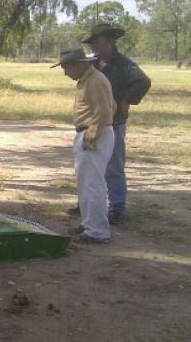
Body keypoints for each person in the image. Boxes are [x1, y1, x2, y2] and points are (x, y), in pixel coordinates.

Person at [84, 23, 151, 224]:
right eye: (92, 42)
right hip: (92, 121)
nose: (94, 45)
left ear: (110, 42)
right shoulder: (93, 64)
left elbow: (143, 82)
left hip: (114, 123)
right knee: (90, 165)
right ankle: (87, 205)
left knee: (113, 166)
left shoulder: (124, 65)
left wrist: (126, 101)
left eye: (97, 42)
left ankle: (117, 208)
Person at [53, 48, 116, 243]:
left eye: (66, 67)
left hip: (94, 134)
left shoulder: (95, 81)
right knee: (87, 184)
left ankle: (97, 231)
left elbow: (104, 111)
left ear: (78, 64)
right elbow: (111, 105)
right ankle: (90, 223)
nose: (65, 72)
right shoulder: (88, 79)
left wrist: (91, 136)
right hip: (91, 133)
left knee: (93, 185)